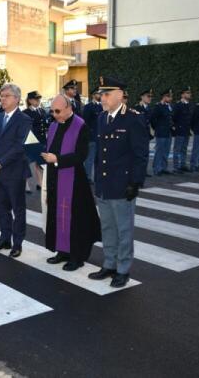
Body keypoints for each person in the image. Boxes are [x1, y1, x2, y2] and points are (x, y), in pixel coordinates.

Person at [89, 76, 148, 288]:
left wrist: (135, 182)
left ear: (120, 94)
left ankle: (123, 269)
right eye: (101, 94)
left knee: (124, 230)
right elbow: (99, 154)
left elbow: (140, 155)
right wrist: (96, 179)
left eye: (107, 94)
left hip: (123, 185)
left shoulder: (134, 118)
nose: (102, 98)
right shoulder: (101, 118)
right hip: (104, 184)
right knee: (107, 227)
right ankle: (109, 264)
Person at [42, 94, 101, 271]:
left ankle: (77, 257)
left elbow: (81, 155)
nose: (54, 115)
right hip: (55, 177)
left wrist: (57, 159)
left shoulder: (80, 125)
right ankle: (62, 251)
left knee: (75, 220)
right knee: (57, 215)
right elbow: (50, 149)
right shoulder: (53, 126)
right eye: (52, 111)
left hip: (74, 180)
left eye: (58, 111)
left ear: (69, 108)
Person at [0, 83, 32, 258]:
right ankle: (5, 238)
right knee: (1, 207)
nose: (2, 99)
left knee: (18, 209)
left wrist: (0, 163)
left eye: (5, 96)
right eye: (1, 96)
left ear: (17, 99)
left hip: (15, 171)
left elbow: (20, 146)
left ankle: (17, 243)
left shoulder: (24, 120)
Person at [22, 90, 48, 192]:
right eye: (36, 99)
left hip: (41, 140)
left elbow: (45, 125)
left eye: (39, 99)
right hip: (30, 141)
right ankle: (25, 184)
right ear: (30, 100)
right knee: (26, 163)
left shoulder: (42, 111)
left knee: (40, 163)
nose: (38, 101)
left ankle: (40, 183)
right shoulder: (25, 113)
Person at [150, 89, 174, 175]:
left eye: (171, 97)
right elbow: (153, 119)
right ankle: (157, 168)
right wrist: (157, 128)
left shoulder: (169, 106)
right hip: (161, 131)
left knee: (166, 151)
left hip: (168, 132)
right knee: (159, 151)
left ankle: (163, 167)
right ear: (164, 97)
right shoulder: (158, 106)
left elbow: (171, 118)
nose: (170, 98)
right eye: (169, 96)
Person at [81, 88, 103, 182]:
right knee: (90, 158)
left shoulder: (102, 106)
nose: (100, 96)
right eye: (98, 94)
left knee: (99, 158)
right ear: (93, 95)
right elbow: (85, 122)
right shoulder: (88, 107)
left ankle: (98, 176)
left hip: (101, 136)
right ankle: (87, 176)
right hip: (91, 137)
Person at [172, 87, 193, 172]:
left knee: (184, 149)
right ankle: (176, 167)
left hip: (186, 130)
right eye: (187, 93)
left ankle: (183, 164)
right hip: (180, 130)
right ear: (182, 94)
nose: (189, 95)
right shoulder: (178, 104)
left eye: (189, 93)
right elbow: (173, 117)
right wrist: (175, 127)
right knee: (177, 149)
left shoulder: (189, 104)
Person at [134, 88, 154, 177]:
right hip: (138, 135)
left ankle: (143, 171)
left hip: (146, 135)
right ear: (142, 97)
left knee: (146, 154)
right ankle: (137, 171)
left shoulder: (149, 108)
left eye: (151, 97)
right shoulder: (136, 108)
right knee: (138, 155)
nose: (150, 98)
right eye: (148, 96)